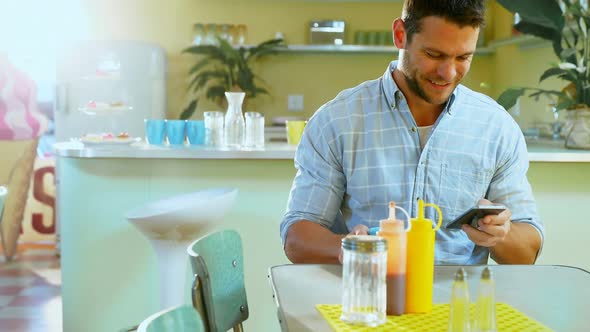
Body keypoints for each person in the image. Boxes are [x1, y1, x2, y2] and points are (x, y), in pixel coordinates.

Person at [280, 0, 543, 265]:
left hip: (460, 302)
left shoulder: (496, 127)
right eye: (434, 54)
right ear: (400, 35)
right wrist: (348, 247)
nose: (448, 73)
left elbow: (528, 250)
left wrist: (500, 234)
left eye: (463, 57)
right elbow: (296, 238)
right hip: (370, 298)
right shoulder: (336, 122)